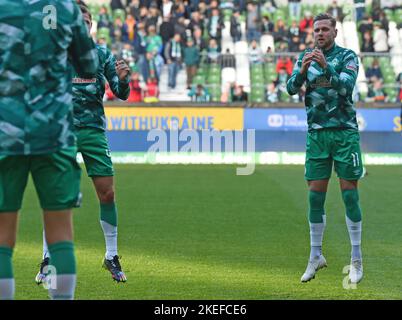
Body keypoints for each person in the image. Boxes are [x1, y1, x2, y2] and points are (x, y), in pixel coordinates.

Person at [0, 0, 98, 300]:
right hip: (53, 133)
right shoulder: (65, 8)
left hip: (6, 133)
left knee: (2, 238)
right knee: (60, 237)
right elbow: (89, 65)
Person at [35, 1, 130, 285]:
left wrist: (124, 79)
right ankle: (47, 256)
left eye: (87, 21)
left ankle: (111, 256)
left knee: (107, 193)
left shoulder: (101, 54)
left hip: (92, 131)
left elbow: (121, 92)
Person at [286, 13, 364, 284]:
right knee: (314, 198)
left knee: (349, 195)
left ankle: (356, 258)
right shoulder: (306, 57)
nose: (319, 33)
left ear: (335, 31)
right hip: (317, 136)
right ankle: (315, 256)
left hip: (344, 135)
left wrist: (327, 67)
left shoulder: (348, 57)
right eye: (316, 30)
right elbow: (290, 88)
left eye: (324, 29)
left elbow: (347, 87)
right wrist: (304, 71)